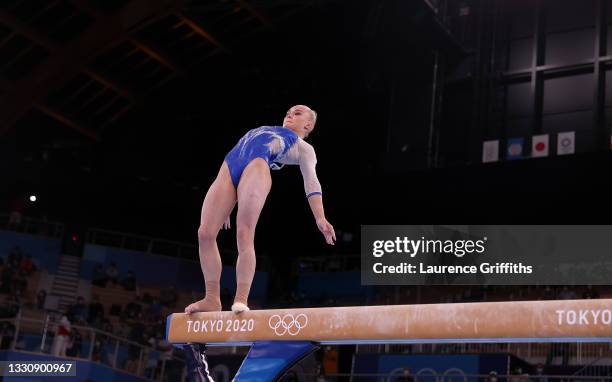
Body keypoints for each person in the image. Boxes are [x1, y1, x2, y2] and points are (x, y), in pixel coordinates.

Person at [185, 105, 335, 314]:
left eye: (298, 113)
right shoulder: (266, 128)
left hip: (257, 166)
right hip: (228, 167)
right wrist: (229, 203)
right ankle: (211, 299)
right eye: (288, 112)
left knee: (244, 233)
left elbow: (311, 181)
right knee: (205, 233)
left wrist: (320, 217)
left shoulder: (304, 148)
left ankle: (241, 299)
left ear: (308, 124)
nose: (290, 114)